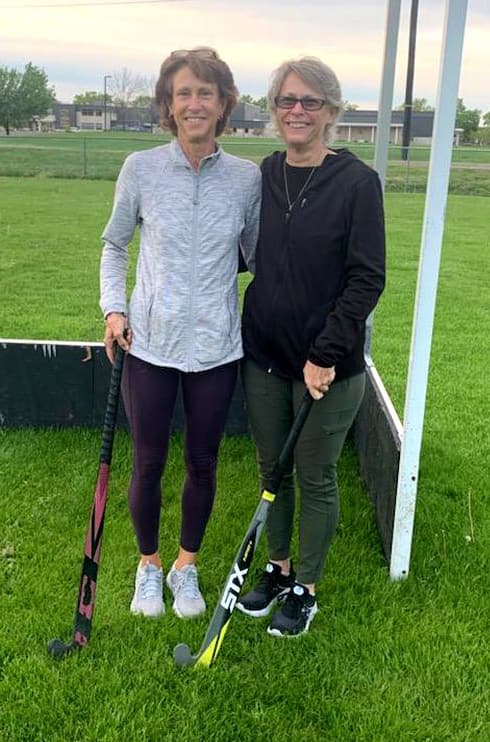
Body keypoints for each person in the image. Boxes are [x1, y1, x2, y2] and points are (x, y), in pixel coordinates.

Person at [99, 47, 261, 620]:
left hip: (217, 348)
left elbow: (260, 258)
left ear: (223, 104)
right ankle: (148, 564)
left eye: (206, 93)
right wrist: (114, 310)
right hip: (150, 344)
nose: (195, 103)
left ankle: (185, 567)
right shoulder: (140, 169)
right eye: (184, 93)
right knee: (147, 464)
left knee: (203, 462)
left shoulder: (247, 179)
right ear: (169, 104)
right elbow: (115, 245)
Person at [237, 57, 385, 637]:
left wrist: (323, 353)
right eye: (287, 101)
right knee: (272, 467)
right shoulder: (266, 174)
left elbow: (367, 277)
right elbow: (245, 252)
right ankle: (276, 570)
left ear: (330, 111)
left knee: (315, 472)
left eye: (310, 102)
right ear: (273, 109)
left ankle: (307, 587)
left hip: (328, 364)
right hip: (264, 355)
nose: (297, 111)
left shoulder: (356, 182)